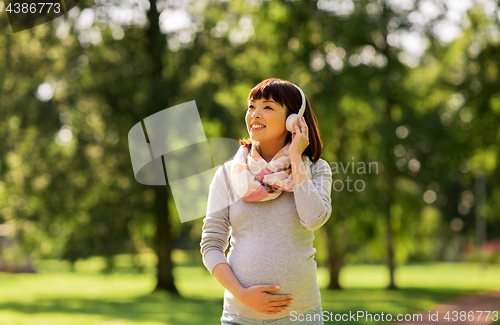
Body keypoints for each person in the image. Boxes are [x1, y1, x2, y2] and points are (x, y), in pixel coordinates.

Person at [200, 78, 333, 325]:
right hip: (239, 316)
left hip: (301, 316)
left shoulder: (316, 169)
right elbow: (211, 245)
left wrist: (296, 158)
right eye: (251, 106)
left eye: (268, 107)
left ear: (294, 119)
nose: (255, 114)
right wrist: (242, 295)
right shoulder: (228, 174)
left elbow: (314, 218)